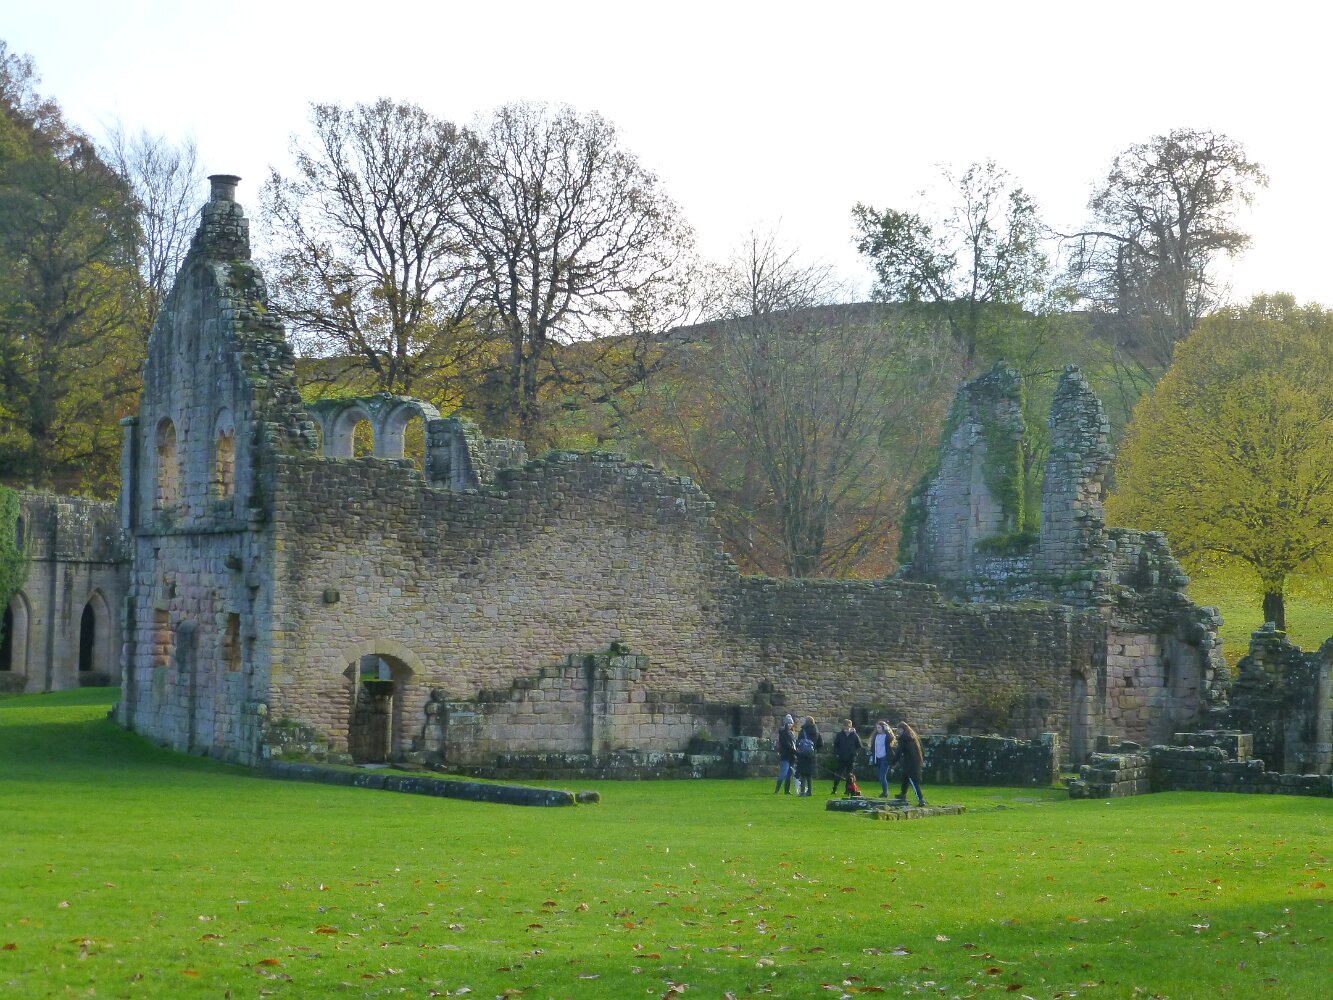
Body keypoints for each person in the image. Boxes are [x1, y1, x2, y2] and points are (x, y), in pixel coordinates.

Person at [893, 721, 927, 806]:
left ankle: (920, 799)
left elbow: (899, 752)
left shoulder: (903, 738)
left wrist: (893, 762)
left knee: (913, 781)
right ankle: (903, 794)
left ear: (902, 729)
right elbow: (922, 749)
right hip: (915, 761)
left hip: (910, 763)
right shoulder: (914, 737)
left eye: (899, 729)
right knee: (905, 777)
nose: (898, 731)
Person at [830, 719, 862, 796]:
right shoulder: (840, 735)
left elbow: (859, 746)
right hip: (841, 757)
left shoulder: (854, 735)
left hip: (851, 758)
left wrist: (855, 754)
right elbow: (836, 745)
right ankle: (834, 789)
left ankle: (847, 790)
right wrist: (837, 753)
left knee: (849, 776)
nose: (846, 728)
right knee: (838, 774)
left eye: (847, 726)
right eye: (844, 726)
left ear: (850, 726)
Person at [795, 716, 822, 796]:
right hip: (811, 755)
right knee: (809, 774)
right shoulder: (816, 732)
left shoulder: (803, 731)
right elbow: (821, 743)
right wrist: (814, 749)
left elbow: (798, 742)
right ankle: (809, 791)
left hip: (803, 754)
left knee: (803, 774)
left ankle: (802, 791)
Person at [869, 720, 895, 797]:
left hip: (885, 758)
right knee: (880, 776)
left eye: (879, 728)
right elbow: (873, 747)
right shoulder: (876, 736)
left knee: (882, 776)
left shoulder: (886, 736)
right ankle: (884, 792)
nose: (878, 729)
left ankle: (885, 793)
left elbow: (890, 738)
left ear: (883, 728)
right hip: (877, 758)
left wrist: (886, 730)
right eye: (877, 728)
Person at [773, 714, 797, 794]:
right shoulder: (783, 733)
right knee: (784, 773)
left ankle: (787, 790)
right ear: (785, 724)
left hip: (792, 756)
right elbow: (787, 744)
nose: (790, 725)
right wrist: (795, 751)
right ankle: (777, 790)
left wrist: (795, 751)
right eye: (788, 723)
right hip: (785, 755)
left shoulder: (792, 733)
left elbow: (794, 744)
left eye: (791, 723)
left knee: (789, 774)